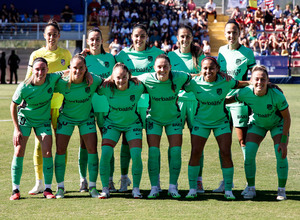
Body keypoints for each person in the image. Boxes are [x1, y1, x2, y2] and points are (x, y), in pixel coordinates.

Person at [185, 56, 249, 200]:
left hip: (221, 122)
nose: (208, 71)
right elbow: (178, 82)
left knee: (225, 152)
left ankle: (228, 190)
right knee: (195, 152)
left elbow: (239, 84)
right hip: (201, 122)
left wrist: (255, 82)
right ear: (201, 70)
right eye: (205, 68)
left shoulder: (225, 81)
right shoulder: (194, 83)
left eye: (211, 68)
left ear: (218, 69)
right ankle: (192, 189)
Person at [226, 65, 290, 201]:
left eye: (263, 79)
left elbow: (287, 118)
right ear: (251, 80)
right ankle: (251, 188)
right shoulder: (245, 92)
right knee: (248, 153)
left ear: (268, 81)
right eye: (256, 79)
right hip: (258, 124)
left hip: (277, 124)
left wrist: (284, 141)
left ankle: (281, 190)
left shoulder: (277, 95)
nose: (259, 82)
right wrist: (214, 98)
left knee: (280, 153)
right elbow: (229, 100)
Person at [115, 24, 164, 192]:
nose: (139, 39)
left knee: (153, 145)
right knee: (126, 142)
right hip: (128, 104)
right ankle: (123, 178)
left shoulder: (157, 54)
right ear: (131, 37)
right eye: (136, 35)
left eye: (142, 35)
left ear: (147, 37)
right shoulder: (122, 55)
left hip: (151, 104)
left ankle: (155, 182)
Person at [25, 19, 72, 195]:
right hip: (41, 107)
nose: (51, 37)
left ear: (59, 36)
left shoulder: (66, 54)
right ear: (44, 35)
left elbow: (70, 79)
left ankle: (60, 182)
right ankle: (39, 182)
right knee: (39, 145)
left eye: (54, 34)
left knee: (61, 145)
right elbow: (29, 78)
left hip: (60, 106)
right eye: (49, 34)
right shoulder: (36, 54)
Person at [137, 54, 191, 199]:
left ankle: (173, 187)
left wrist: (220, 75)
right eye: (159, 67)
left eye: (165, 66)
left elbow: (195, 76)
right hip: (153, 119)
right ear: (154, 68)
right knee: (153, 152)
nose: (162, 69)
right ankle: (154, 187)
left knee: (175, 152)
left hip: (173, 119)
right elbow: (127, 78)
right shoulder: (146, 78)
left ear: (170, 67)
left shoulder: (179, 76)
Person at [10, 57, 63, 200]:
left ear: (47, 70)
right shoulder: (24, 86)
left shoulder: (52, 79)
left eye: (43, 69)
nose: (40, 72)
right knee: (19, 149)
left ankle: (47, 189)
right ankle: (15, 190)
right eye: (37, 69)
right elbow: (13, 105)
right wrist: (16, 129)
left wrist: (87, 73)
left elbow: (68, 71)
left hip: (43, 121)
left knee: (47, 149)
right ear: (32, 70)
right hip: (25, 120)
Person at [214, 19, 256, 193]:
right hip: (222, 103)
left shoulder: (247, 53)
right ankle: (227, 181)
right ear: (225, 34)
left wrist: (238, 84)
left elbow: (254, 80)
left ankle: (250, 184)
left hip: (239, 102)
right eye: (228, 32)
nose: (231, 35)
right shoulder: (221, 51)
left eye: (234, 32)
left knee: (242, 142)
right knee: (223, 144)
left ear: (240, 33)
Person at [54, 54, 100, 199]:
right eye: (75, 68)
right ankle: (60, 187)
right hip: (66, 119)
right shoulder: (62, 82)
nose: (78, 71)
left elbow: (110, 81)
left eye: (81, 68)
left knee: (92, 149)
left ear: (86, 69)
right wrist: (62, 73)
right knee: (60, 150)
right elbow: (47, 77)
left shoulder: (93, 81)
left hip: (86, 119)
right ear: (70, 68)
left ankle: (92, 186)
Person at [167, 25, 205, 193]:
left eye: (188, 36)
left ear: (192, 37)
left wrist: (187, 78)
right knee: (175, 146)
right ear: (177, 38)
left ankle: (198, 180)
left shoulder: (199, 56)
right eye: (182, 36)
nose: (185, 39)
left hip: (196, 103)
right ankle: (173, 183)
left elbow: (206, 75)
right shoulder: (170, 56)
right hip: (176, 104)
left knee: (198, 145)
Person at [98, 63, 145, 199]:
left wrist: (134, 77)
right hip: (112, 124)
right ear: (113, 77)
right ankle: (105, 188)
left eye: (124, 77)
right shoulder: (106, 87)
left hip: (132, 124)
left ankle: (136, 189)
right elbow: (94, 83)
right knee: (106, 153)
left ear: (129, 76)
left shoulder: (137, 86)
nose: (121, 80)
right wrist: (107, 78)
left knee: (136, 154)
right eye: (118, 77)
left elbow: (151, 78)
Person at [79, 27, 116, 193]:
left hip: (107, 107)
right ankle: (83, 180)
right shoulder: (83, 59)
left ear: (102, 41)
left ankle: (109, 180)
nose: (94, 42)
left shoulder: (110, 58)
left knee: (108, 144)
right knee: (84, 144)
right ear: (87, 41)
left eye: (97, 39)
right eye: (91, 39)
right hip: (86, 107)